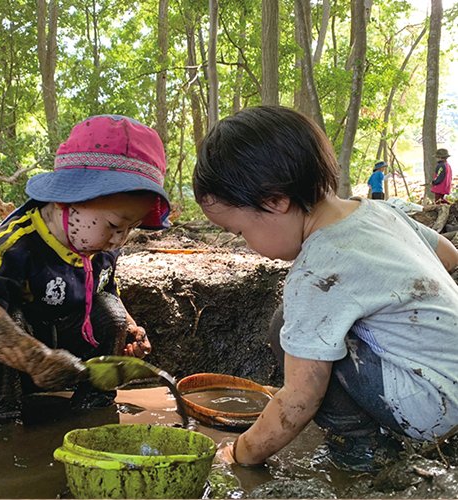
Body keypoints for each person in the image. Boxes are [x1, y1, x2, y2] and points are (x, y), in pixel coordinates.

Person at [192, 106, 458, 472]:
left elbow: (300, 399)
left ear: (274, 201)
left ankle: (361, 451)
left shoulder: (317, 272)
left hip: (435, 410)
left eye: (240, 232)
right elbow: (447, 256)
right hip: (450, 378)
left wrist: (240, 453)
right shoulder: (381, 213)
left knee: (288, 328)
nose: (246, 243)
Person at [0, 115, 170, 423]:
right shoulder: (19, 242)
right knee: (3, 323)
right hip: (16, 359)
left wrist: (131, 329)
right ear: (64, 201)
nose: (119, 239)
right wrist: (35, 359)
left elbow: (105, 289)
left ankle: (94, 405)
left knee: (111, 311)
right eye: (114, 225)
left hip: (70, 354)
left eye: (131, 228)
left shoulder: (101, 246)